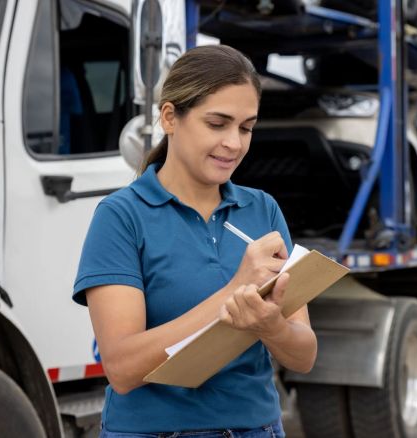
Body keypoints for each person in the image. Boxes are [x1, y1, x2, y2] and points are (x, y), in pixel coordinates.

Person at [72, 45, 317, 437]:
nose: (234, 143)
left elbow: (303, 356)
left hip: (256, 429)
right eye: (217, 124)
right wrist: (233, 293)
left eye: (246, 127)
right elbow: (121, 368)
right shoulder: (121, 216)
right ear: (170, 117)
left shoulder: (263, 211)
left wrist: (272, 327)